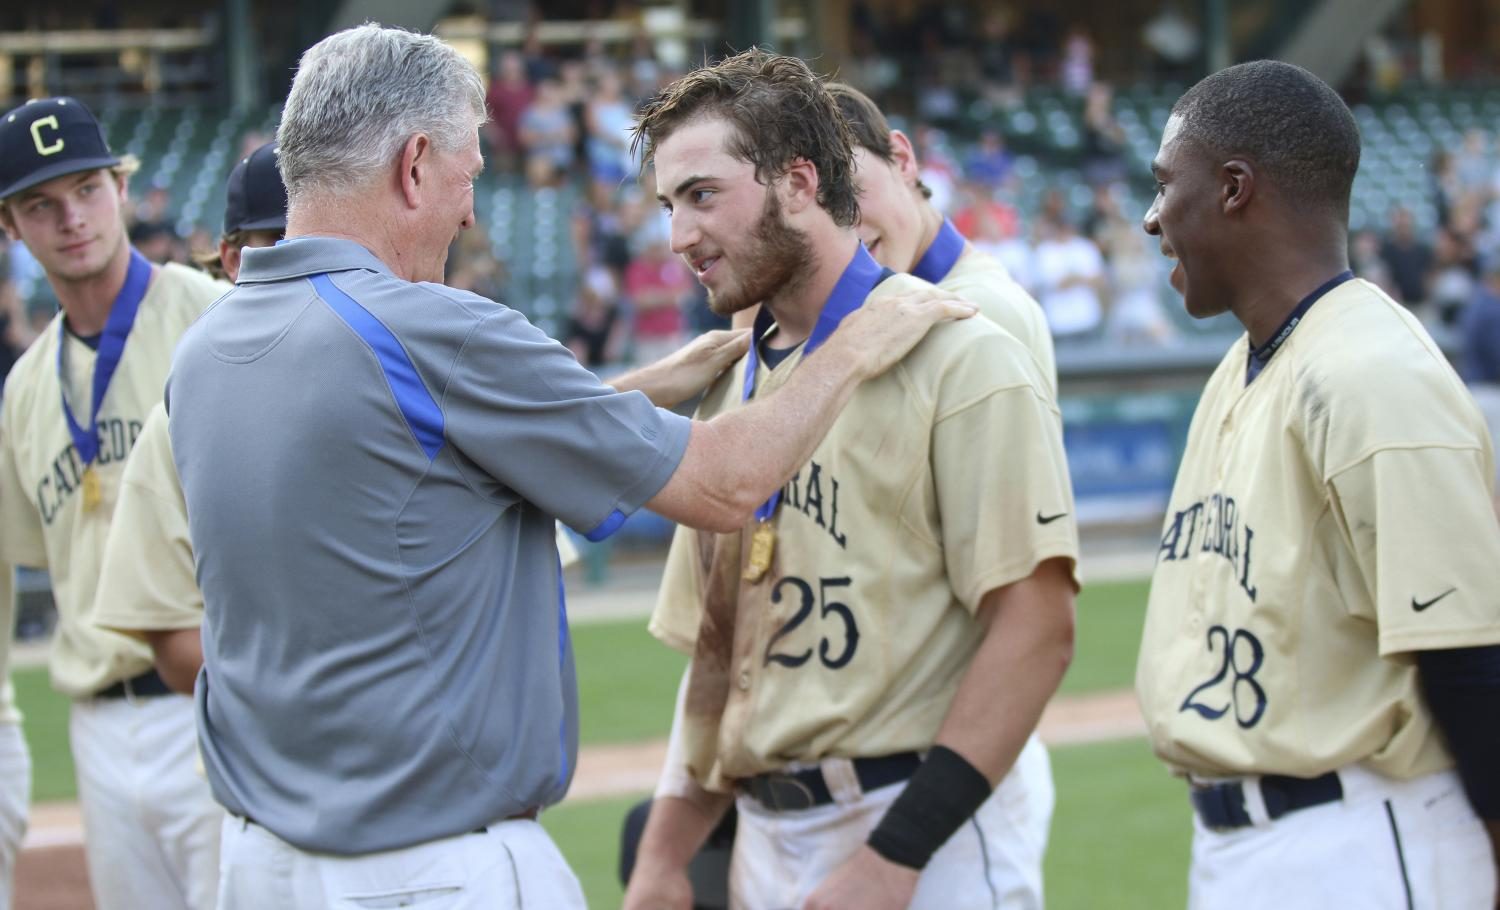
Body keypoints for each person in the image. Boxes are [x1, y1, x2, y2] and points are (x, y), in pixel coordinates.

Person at [163, 26, 971, 910]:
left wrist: (628, 393)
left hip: (258, 866)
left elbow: (423, 467)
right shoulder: (437, 330)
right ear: (416, 164)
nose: (470, 212)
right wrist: (857, 342)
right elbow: (723, 486)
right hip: (430, 868)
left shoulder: (204, 351)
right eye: (469, 176)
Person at [622, 49, 1078, 910]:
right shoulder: (726, 386)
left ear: (798, 184)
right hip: (762, 834)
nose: (679, 238)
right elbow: (721, 651)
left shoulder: (965, 352)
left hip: (919, 833)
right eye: (668, 206)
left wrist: (894, 858)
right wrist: (665, 849)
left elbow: (1037, 626)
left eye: (703, 195)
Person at [1136, 60, 1500, 908]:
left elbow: (1471, 659)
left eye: (1164, 185)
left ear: (1233, 189)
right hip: (1244, 840)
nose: (1153, 218)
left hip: (1364, 837)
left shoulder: (1374, 372)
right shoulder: (1246, 363)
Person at [0, 96, 230, 910]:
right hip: (97, 721)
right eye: (40, 204)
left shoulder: (211, 321)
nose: (72, 218)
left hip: (215, 694)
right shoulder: (25, 391)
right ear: (9, 227)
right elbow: (37, 554)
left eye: (88, 189)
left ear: (122, 189)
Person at [92, 142, 288, 696]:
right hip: (268, 732)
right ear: (231, 258)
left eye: (326, 239)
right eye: (278, 240)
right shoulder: (181, 418)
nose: (305, 257)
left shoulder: (415, 375)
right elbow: (172, 642)